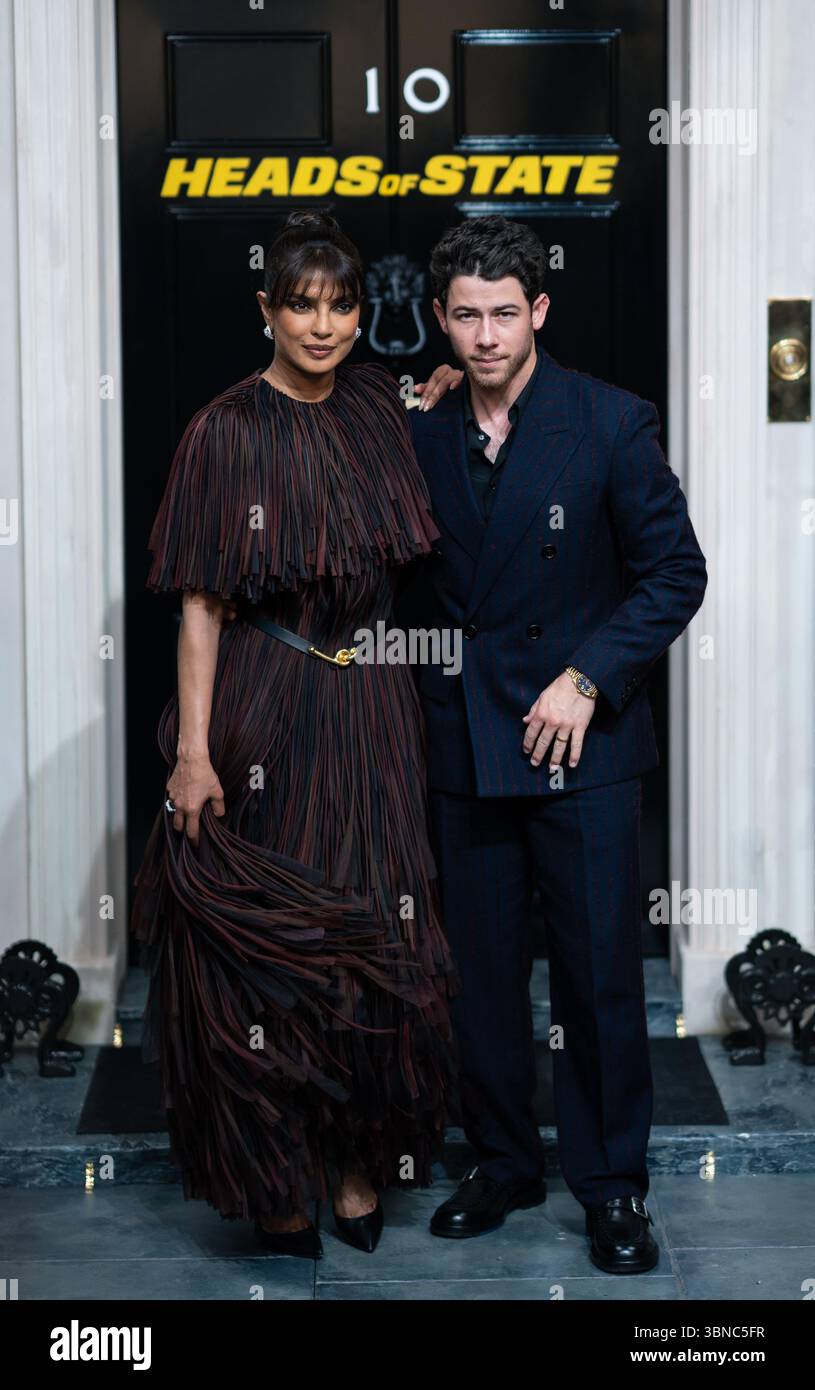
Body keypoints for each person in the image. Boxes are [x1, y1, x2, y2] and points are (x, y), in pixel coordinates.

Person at [130, 211, 463, 1259]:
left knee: (376, 931)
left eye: (341, 305)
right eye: (301, 304)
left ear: (363, 313)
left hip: (370, 701)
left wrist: (437, 390)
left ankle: (356, 1161)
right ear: (265, 308)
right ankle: (275, 1177)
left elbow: (422, 413)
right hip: (262, 694)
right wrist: (191, 749)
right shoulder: (223, 431)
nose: (322, 325)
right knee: (265, 954)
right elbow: (198, 604)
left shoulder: (374, 403)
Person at [405, 214, 708, 1273]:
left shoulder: (611, 422)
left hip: (582, 750)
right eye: (464, 316)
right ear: (438, 320)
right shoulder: (418, 426)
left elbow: (675, 574)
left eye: (502, 313)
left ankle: (611, 1187)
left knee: (595, 980)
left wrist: (585, 678)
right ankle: (500, 1160)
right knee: (480, 978)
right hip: (467, 743)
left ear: (536, 310)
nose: (484, 335)